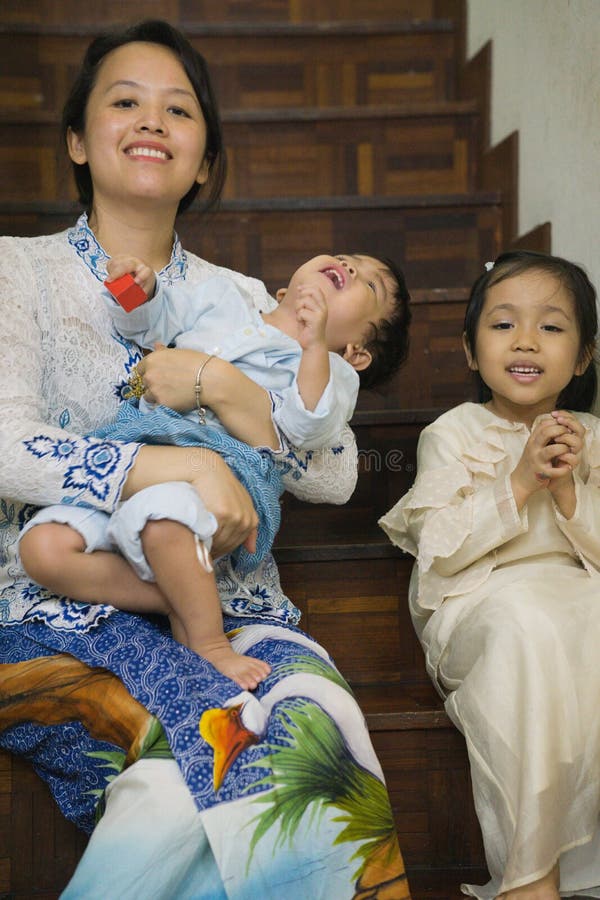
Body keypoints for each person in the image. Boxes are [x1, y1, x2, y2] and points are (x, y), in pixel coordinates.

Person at [0, 18, 411, 899]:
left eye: (177, 110)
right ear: (77, 138)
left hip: (228, 595)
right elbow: (4, 445)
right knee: (208, 753)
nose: (152, 121)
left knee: (312, 729)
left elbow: (333, 470)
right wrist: (171, 469)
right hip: (55, 598)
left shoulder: (247, 297)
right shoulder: (16, 272)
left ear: (203, 162)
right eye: (124, 102)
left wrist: (224, 388)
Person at [18, 248, 409, 689]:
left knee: (166, 526)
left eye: (370, 284)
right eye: (345, 257)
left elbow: (309, 425)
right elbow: (152, 320)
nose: (352, 267)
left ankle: (209, 642)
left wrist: (316, 344)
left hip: (221, 473)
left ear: (356, 352)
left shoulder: (331, 371)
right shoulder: (224, 298)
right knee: (42, 549)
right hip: (137, 448)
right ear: (282, 292)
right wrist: (139, 290)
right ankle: (176, 597)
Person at [380, 249, 600, 899]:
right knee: (527, 627)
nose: (527, 340)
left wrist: (568, 495)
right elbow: (441, 549)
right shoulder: (453, 433)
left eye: (553, 327)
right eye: (504, 324)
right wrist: (523, 478)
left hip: (580, 587)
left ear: (584, 356)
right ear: (473, 352)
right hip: (483, 596)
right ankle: (532, 876)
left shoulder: (591, 433)